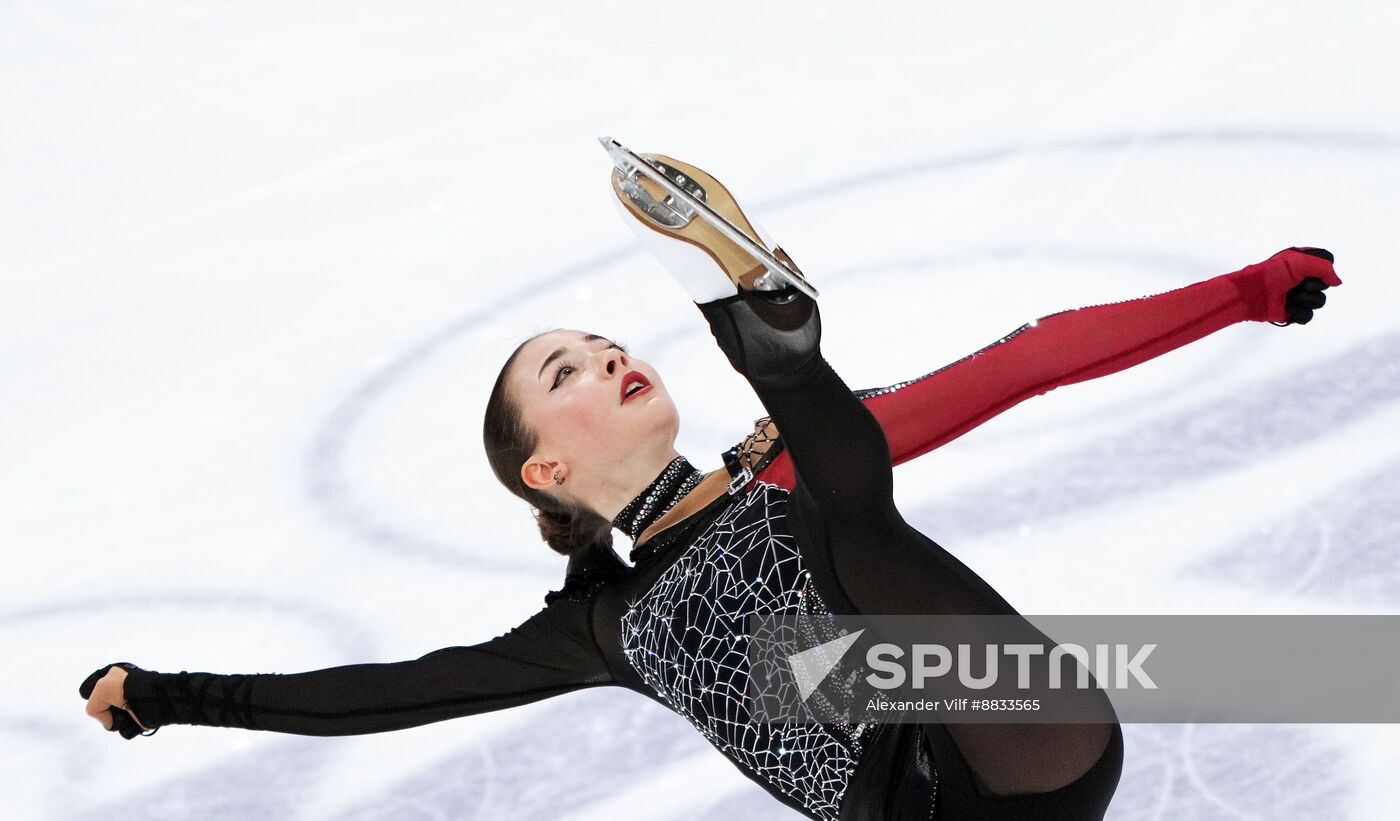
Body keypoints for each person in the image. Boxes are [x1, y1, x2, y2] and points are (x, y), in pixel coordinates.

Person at [81, 147, 1342, 821]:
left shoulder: (782, 467)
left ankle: (771, 326)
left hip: (1015, 730)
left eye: (609, 342)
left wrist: (1242, 289)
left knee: (836, 502)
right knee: (831, 495)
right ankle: (769, 320)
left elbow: (1022, 363)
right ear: (548, 467)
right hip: (901, 809)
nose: (610, 356)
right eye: (567, 368)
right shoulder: (597, 622)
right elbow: (390, 694)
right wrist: (177, 696)